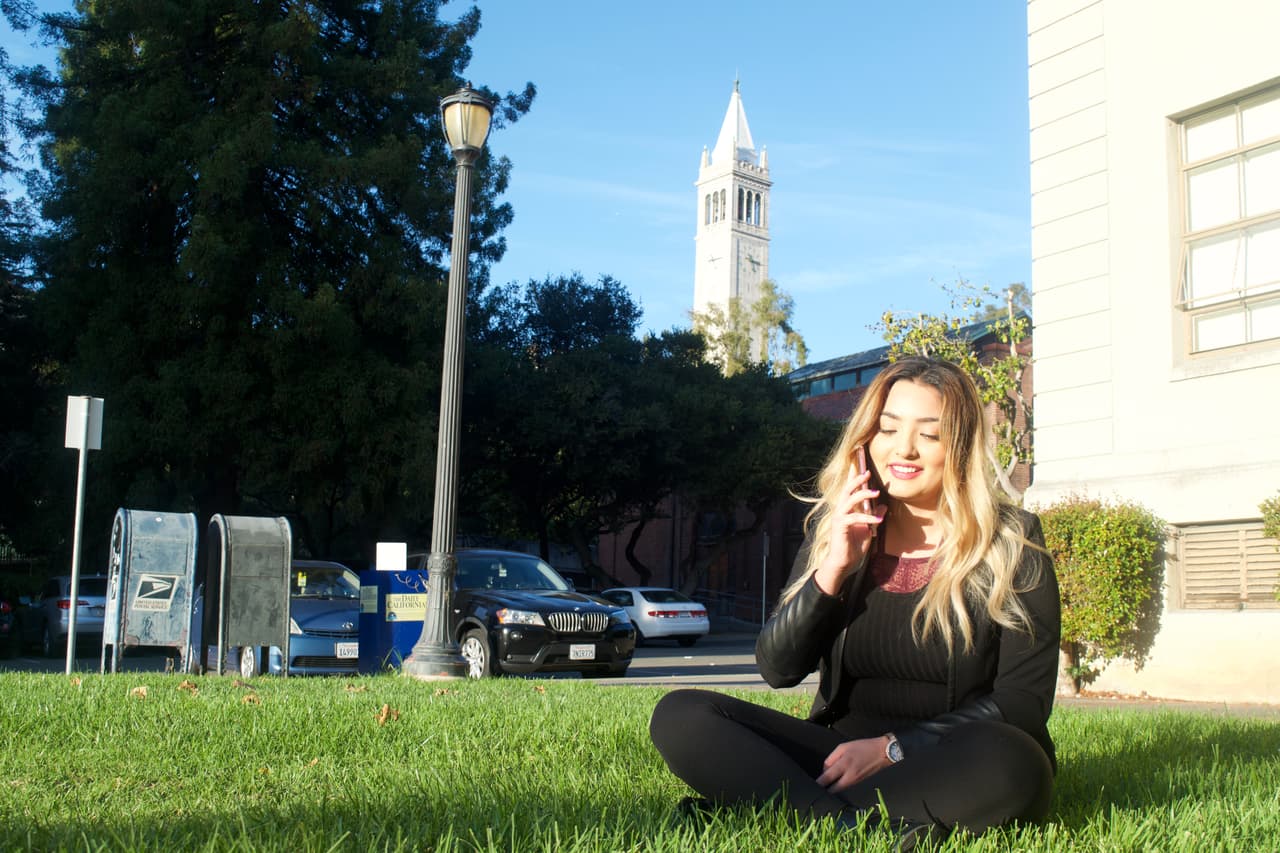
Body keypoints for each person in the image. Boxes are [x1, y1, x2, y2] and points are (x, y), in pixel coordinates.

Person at [649, 356, 1060, 846]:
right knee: (681, 715)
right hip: (836, 757)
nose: (904, 448)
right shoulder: (835, 529)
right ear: (866, 439)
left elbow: (1022, 704)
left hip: (945, 758)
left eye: (929, 434)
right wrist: (834, 568)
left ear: (960, 446)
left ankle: (777, 808)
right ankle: (848, 827)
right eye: (888, 429)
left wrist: (891, 749)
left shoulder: (1011, 541)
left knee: (1014, 760)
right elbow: (778, 669)